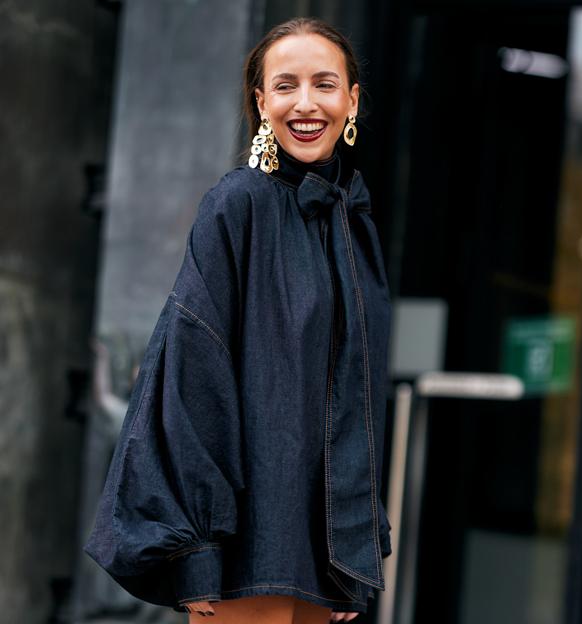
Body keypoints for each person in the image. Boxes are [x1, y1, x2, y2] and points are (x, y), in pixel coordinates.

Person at [83, 16, 393, 624]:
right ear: (260, 102)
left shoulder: (354, 226)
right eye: (286, 85)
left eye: (325, 84)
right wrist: (197, 552)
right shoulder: (238, 205)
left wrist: (352, 552)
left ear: (351, 100)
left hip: (320, 554)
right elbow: (192, 384)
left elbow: (357, 401)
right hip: (246, 546)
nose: (306, 104)